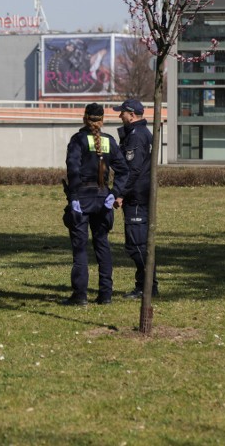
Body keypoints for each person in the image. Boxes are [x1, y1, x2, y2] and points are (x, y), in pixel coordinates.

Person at [61, 103, 129, 306]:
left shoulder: (78, 140)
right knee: (102, 245)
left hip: (82, 198)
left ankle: (80, 296)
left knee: (80, 248)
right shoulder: (109, 141)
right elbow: (123, 170)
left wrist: (73, 197)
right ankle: (106, 294)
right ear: (102, 120)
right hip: (103, 198)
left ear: (85, 118)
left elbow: (73, 170)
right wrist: (115, 193)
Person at [113, 99, 158, 299]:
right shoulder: (139, 133)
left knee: (136, 244)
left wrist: (121, 193)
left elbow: (133, 169)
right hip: (138, 195)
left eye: (122, 112)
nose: (119, 116)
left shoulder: (137, 136)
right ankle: (144, 286)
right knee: (138, 242)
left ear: (131, 114)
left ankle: (148, 287)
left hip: (136, 196)